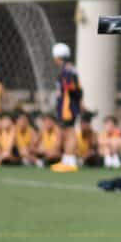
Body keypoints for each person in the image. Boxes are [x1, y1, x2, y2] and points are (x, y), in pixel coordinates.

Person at [50, 42, 83, 172]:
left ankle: (70, 160)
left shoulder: (67, 70)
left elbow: (72, 88)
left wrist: (72, 101)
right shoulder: (68, 69)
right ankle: (66, 158)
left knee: (70, 132)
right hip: (67, 106)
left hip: (67, 107)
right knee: (65, 132)